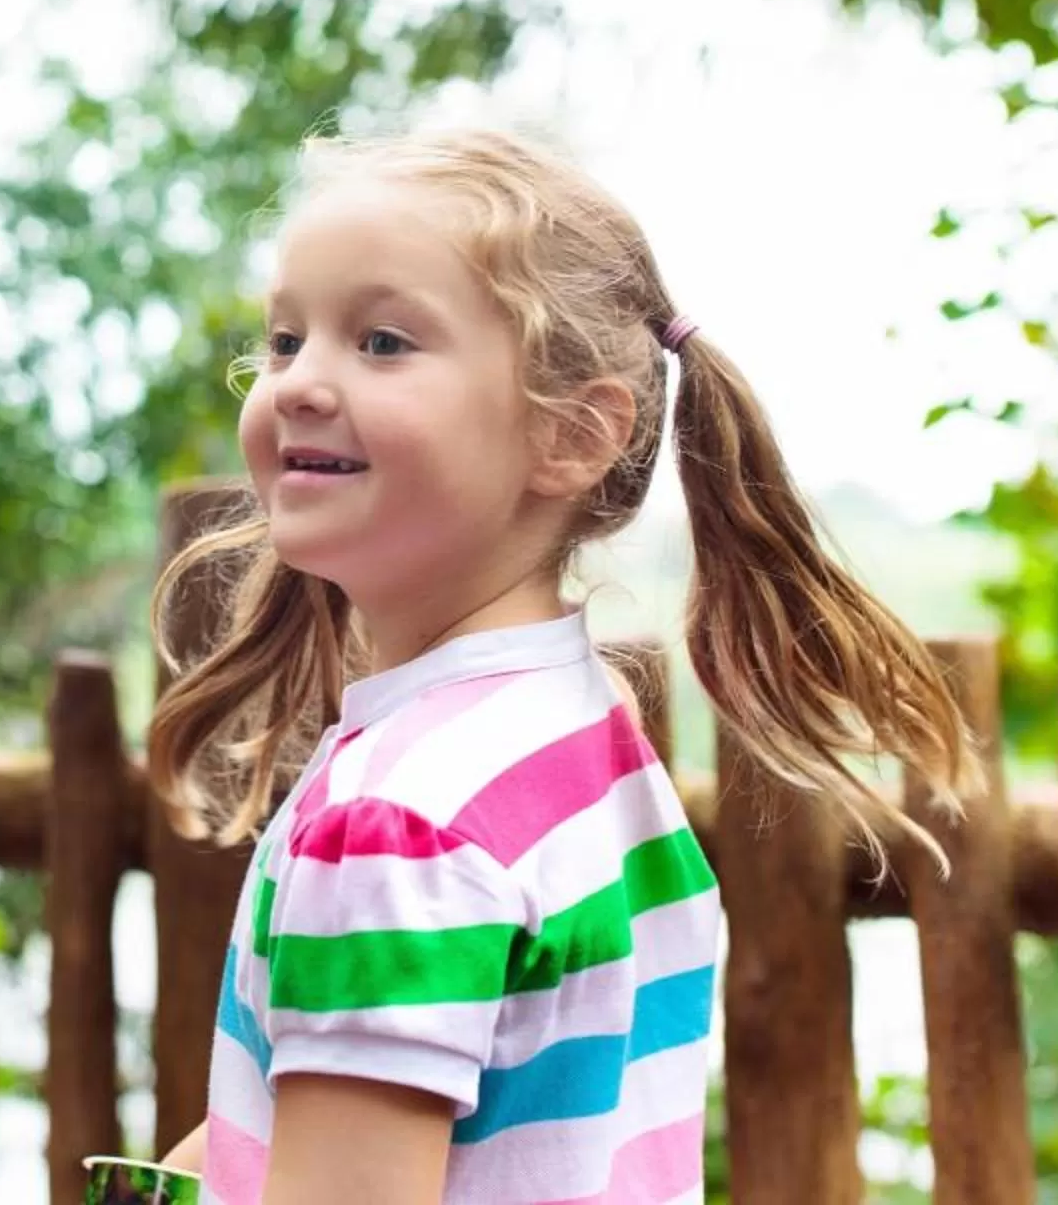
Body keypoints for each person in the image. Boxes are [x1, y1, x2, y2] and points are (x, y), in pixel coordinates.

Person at [144, 124, 971, 1203]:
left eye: (383, 341)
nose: (299, 381)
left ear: (571, 436)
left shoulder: (396, 826)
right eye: (286, 339)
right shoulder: (580, 745)